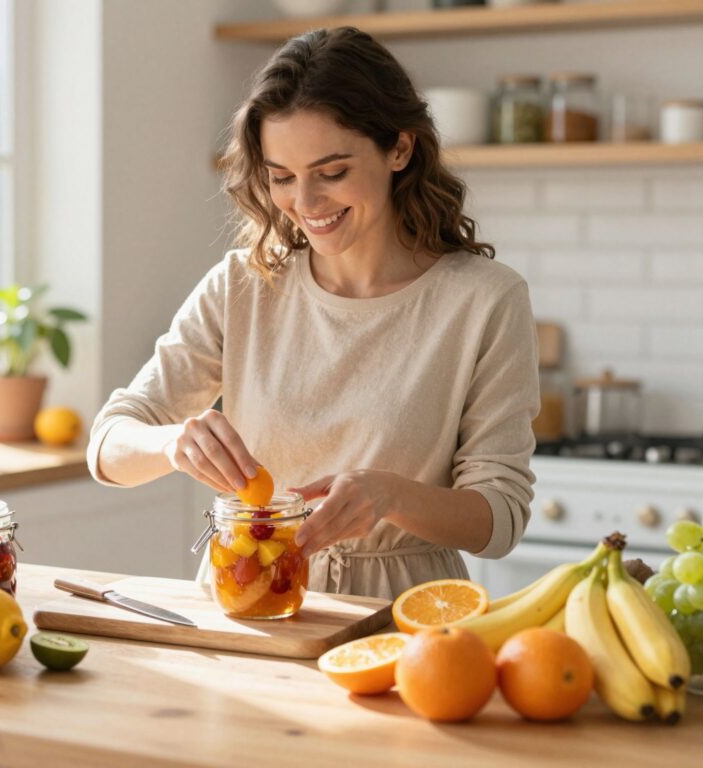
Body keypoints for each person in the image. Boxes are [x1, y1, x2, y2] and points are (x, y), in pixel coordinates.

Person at [87, 26, 539, 600]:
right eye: (281, 178)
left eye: (332, 173)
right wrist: (173, 443)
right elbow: (107, 445)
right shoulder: (244, 285)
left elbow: (499, 518)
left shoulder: (484, 301)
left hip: (402, 615)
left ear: (400, 148)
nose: (305, 203)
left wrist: (390, 496)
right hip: (249, 596)